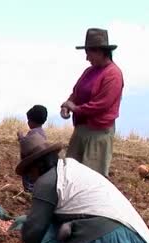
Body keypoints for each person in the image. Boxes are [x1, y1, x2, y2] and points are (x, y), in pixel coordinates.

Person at [15, 134, 149, 243]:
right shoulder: (72, 169)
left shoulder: (46, 181)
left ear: (38, 166)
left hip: (108, 239)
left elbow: (35, 226)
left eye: (29, 171)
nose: (29, 177)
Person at [60, 28, 124, 177]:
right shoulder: (89, 71)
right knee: (71, 173)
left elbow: (101, 104)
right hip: (81, 130)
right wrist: (67, 105)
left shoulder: (113, 74)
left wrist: (75, 108)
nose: (87, 58)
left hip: (98, 133)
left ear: (100, 52)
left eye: (89, 53)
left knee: (91, 177)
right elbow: (76, 92)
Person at [18, 105, 48, 192]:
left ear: (31, 121)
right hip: (39, 165)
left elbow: (26, 145)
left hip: (31, 164)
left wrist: (20, 137)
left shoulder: (33, 134)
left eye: (28, 120)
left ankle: (29, 191)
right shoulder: (43, 133)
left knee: (29, 184)